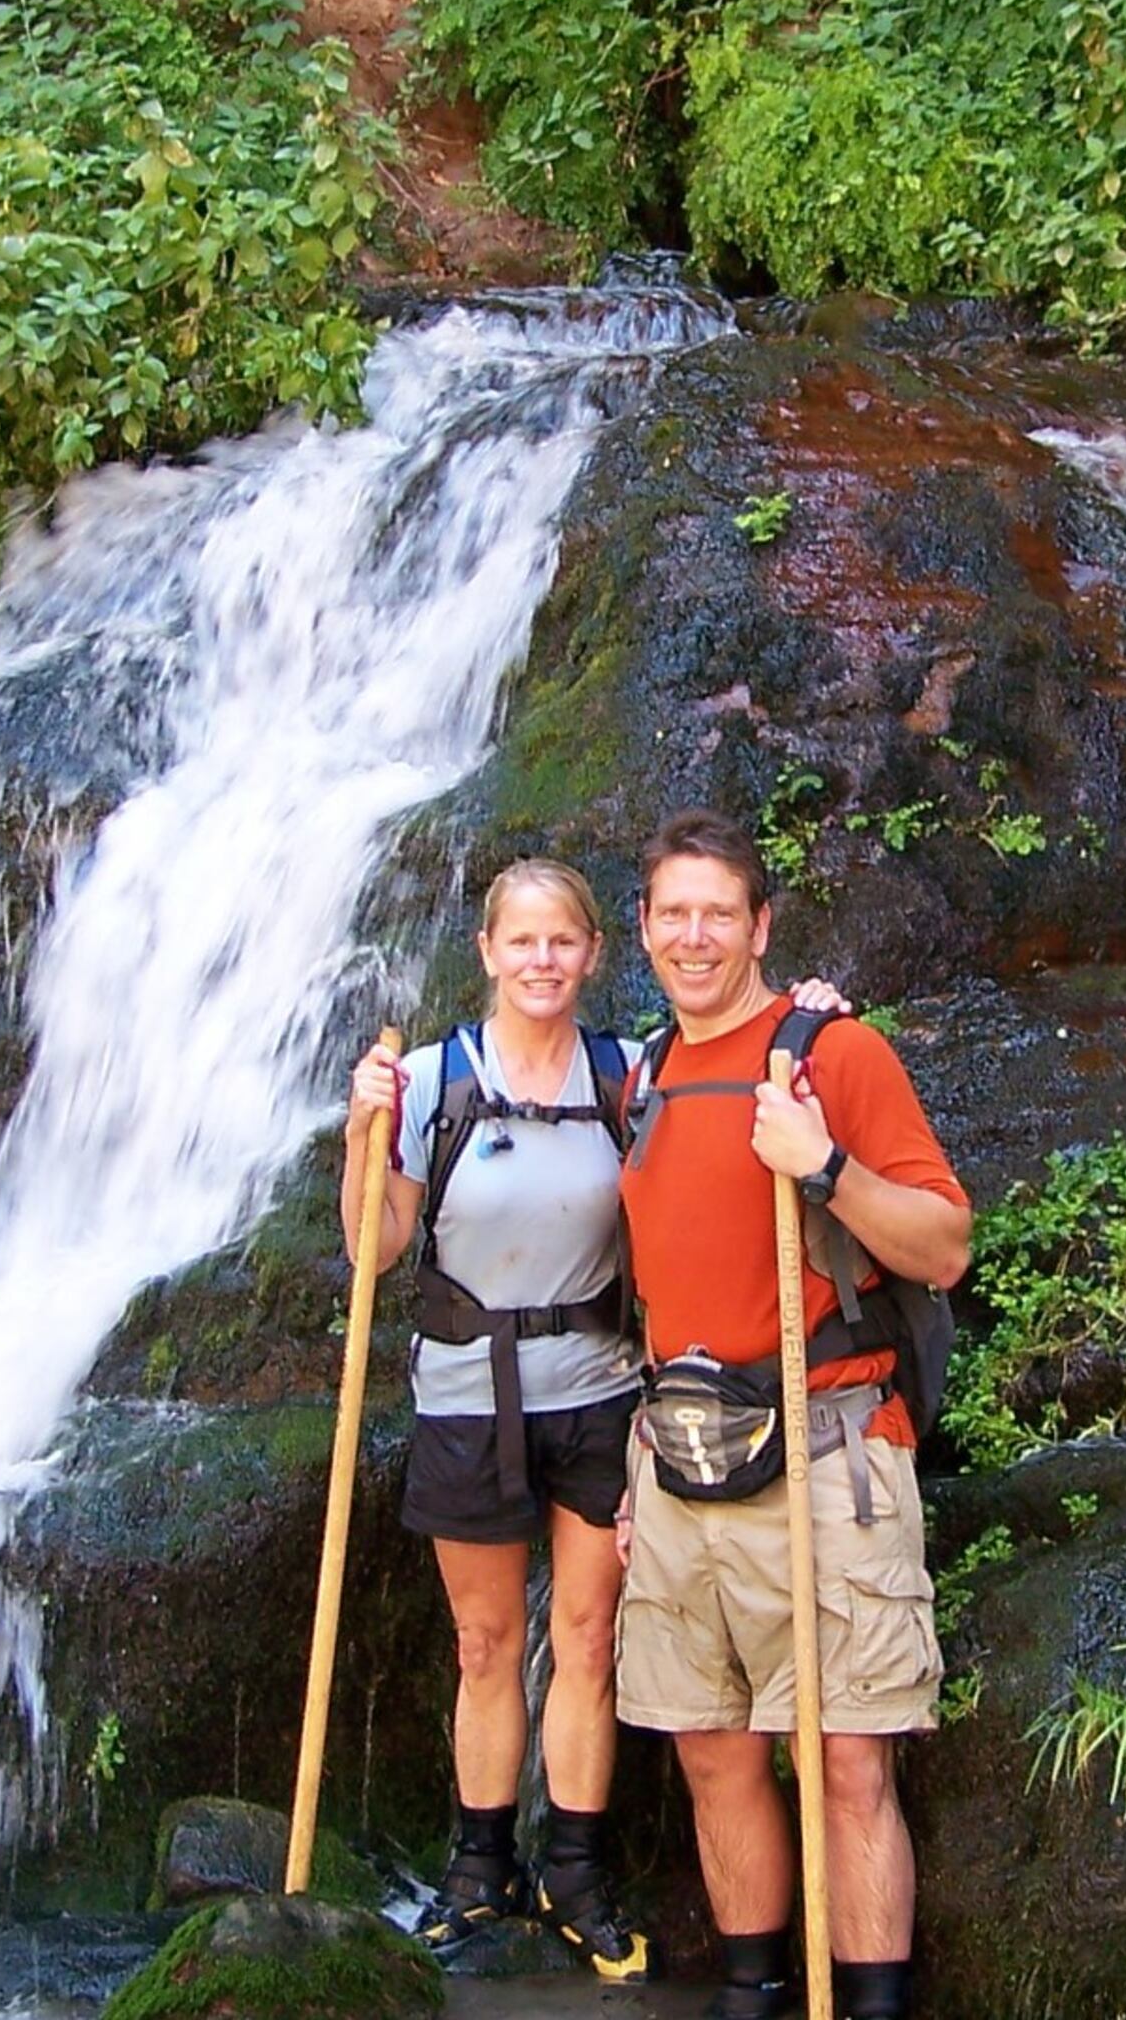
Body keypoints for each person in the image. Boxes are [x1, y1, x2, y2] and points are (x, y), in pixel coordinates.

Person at [612, 808, 970, 2020]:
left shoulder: (833, 1057)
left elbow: (945, 1244)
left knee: (847, 1760)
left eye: (721, 911)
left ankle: (867, 2003)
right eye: (674, 914)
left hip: (826, 1457)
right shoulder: (640, 1078)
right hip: (676, 1467)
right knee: (712, 1752)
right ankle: (755, 1994)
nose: (696, 935)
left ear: (760, 925)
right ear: (645, 932)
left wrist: (822, 1166)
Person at [345, 858, 654, 1979]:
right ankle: (481, 1867)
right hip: (469, 1394)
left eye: (561, 942)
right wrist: (361, 1138)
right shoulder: (431, 1081)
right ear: (485, 951)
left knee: (585, 1640)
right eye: (520, 942)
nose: (540, 961)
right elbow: (374, 1251)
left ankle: (574, 1866)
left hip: (600, 1393)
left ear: (591, 955)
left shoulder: (625, 1075)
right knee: (482, 1644)